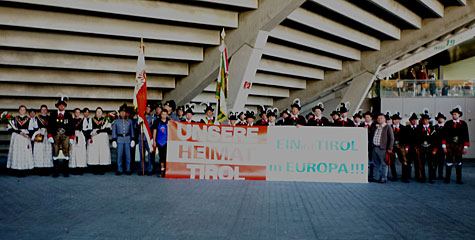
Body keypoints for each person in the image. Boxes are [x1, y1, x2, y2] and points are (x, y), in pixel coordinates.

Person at [442, 106, 470, 184]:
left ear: (459, 115)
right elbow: (444, 135)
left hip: (459, 145)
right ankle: (447, 178)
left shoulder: (463, 124)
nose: (454, 116)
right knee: (449, 161)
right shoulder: (448, 123)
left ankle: (459, 179)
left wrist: (465, 147)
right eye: (453, 114)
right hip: (449, 145)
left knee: (459, 161)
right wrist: (444, 146)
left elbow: (466, 136)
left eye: (455, 114)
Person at [48, 98, 74, 178]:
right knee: (55, 151)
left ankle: (65, 171)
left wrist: (72, 137)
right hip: (56, 135)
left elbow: (72, 126)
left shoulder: (68, 115)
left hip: (66, 135)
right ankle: (56, 171)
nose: (61, 107)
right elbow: (49, 125)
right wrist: (49, 135)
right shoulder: (53, 114)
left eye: (63, 105)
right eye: (60, 105)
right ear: (57, 106)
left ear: (65, 106)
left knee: (66, 151)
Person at [7, 105, 34, 177]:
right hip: (16, 137)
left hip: (25, 137)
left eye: (24, 110)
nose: (22, 111)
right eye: (21, 110)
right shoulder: (14, 119)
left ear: (25, 111)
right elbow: (10, 128)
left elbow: (31, 129)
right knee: (17, 152)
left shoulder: (29, 119)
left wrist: (28, 135)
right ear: (18, 111)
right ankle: (16, 169)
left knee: (24, 152)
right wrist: (20, 132)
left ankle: (24, 169)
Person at [369, 113, 394, 183]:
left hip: (383, 148)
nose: (379, 119)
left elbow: (391, 138)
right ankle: (375, 177)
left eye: (381, 118)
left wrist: (390, 148)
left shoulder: (387, 127)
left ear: (384, 119)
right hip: (375, 147)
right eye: (378, 118)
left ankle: (383, 177)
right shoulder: (374, 126)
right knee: (376, 163)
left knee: (384, 164)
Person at [112, 104, 135, 175]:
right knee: (119, 155)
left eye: (124, 112)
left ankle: (128, 169)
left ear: (126, 113)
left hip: (127, 139)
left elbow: (132, 130)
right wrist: (113, 139)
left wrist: (133, 139)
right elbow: (114, 131)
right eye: (121, 112)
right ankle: (119, 169)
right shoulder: (116, 121)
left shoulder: (130, 121)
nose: (123, 113)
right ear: (119, 113)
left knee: (128, 155)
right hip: (119, 139)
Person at [87, 107, 111, 175]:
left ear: (102, 113)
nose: (99, 113)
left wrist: (100, 130)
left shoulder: (105, 120)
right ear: (95, 112)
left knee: (102, 152)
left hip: (103, 137)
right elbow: (89, 129)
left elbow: (108, 129)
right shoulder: (91, 120)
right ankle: (95, 168)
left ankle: (102, 168)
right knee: (94, 152)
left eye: (100, 112)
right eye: (97, 112)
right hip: (95, 137)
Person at [31, 105, 53, 176]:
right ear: (40, 110)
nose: (43, 111)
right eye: (42, 109)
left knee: (47, 151)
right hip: (40, 134)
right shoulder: (37, 118)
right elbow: (33, 127)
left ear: (47, 110)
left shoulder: (50, 118)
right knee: (39, 151)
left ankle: (47, 168)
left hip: (47, 135)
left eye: (45, 109)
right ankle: (39, 168)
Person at [137, 102, 155, 175]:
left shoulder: (153, 118)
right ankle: (142, 169)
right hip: (141, 137)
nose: (147, 109)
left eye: (149, 108)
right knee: (142, 154)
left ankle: (150, 169)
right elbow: (136, 127)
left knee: (150, 154)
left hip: (149, 138)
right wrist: (138, 123)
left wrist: (153, 138)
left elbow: (153, 128)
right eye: (146, 108)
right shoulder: (140, 117)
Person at [389, 112, 406, 181]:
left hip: (400, 146)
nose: (394, 121)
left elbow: (406, 137)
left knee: (403, 161)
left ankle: (404, 177)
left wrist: (403, 145)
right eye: (393, 119)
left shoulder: (403, 128)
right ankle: (394, 176)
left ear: (399, 120)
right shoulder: (389, 127)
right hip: (392, 146)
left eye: (395, 119)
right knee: (392, 162)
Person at [69, 108, 87, 175]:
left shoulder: (82, 120)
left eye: (78, 112)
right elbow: (70, 128)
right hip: (73, 136)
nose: (77, 113)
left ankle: (80, 167)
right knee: (73, 151)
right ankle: (74, 167)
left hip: (80, 135)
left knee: (80, 152)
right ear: (74, 113)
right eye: (76, 112)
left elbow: (85, 129)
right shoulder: (71, 120)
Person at [417, 112, 433, 183]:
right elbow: (416, 138)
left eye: (427, 120)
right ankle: (423, 177)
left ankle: (430, 178)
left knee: (430, 163)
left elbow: (435, 139)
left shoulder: (432, 128)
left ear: (429, 120)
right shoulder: (419, 128)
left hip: (430, 147)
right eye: (424, 120)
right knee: (422, 163)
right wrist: (417, 147)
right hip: (421, 147)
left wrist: (434, 149)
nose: (425, 121)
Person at [402, 113, 419, 183]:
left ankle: (417, 176)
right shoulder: (406, 128)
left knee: (417, 163)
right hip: (409, 147)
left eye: (415, 120)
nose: (414, 121)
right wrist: (406, 147)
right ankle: (407, 176)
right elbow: (405, 139)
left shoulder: (419, 128)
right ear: (410, 121)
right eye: (413, 120)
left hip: (416, 148)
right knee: (408, 162)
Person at [153, 110, 169, 177]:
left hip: (168, 141)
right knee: (161, 156)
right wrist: (154, 140)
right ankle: (162, 170)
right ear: (161, 114)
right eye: (162, 114)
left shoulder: (169, 121)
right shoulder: (157, 121)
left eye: (165, 114)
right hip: (160, 141)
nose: (164, 115)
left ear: (167, 115)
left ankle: (167, 170)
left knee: (167, 156)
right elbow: (155, 131)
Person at [431, 112, 446, 180]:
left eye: (442, 118)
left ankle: (440, 175)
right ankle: (433, 174)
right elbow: (432, 139)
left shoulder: (446, 128)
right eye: (439, 118)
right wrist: (434, 148)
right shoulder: (433, 127)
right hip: (435, 148)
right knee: (434, 162)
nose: (440, 119)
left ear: (444, 119)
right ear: (437, 119)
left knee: (441, 162)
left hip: (443, 148)